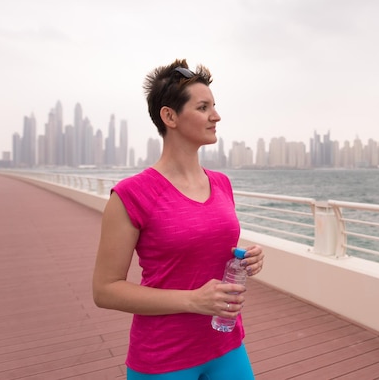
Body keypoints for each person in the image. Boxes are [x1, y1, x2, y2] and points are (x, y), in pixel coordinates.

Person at [92, 59, 264, 379]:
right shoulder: (132, 195)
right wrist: (193, 300)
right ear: (169, 116)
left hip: (226, 344)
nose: (216, 116)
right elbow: (105, 290)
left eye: (214, 106)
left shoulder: (221, 183)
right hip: (164, 358)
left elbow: (202, 247)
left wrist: (246, 258)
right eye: (203, 107)